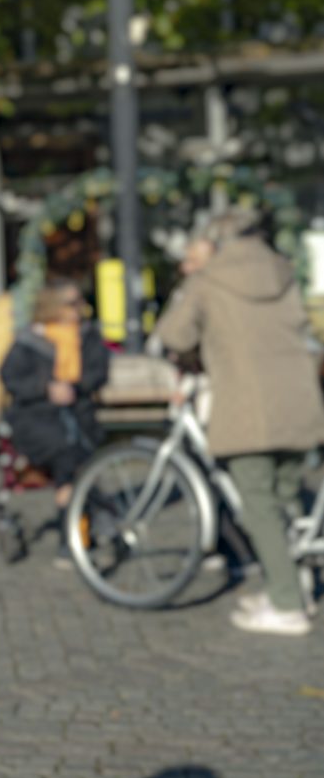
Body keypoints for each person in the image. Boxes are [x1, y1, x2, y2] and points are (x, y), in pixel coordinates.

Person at [154, 210, 324, 636]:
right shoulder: (283, 274)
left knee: (257, 503)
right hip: (300, 401)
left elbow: (173, 335)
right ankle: (289, 582)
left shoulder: (209, 280)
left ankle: (287, 605)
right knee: (285, 497)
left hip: (249, 408)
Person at [0, 278, 110, 567]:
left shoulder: (87, 336)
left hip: (79, 416)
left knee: (73, 455)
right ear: (52, 307)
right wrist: (46, 388)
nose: (80, 309)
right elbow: (11, 378)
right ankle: (74, 536)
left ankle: (73, 535)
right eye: (71, 303)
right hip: (36, 419)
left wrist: (74, 386)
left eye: (80, 302)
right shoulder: (29, 341)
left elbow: (99, 372)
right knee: (67, 454)